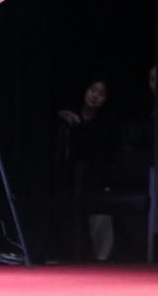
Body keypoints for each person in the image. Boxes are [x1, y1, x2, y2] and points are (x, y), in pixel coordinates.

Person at [50, 77, 116, 260]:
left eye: (101, 94)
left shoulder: (106, 122)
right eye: (93, 90)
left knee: (99, 207)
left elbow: (100, 153)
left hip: (94, 175)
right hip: (67, 175)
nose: (95, 96)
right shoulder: (68, 116)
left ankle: (100, 259)